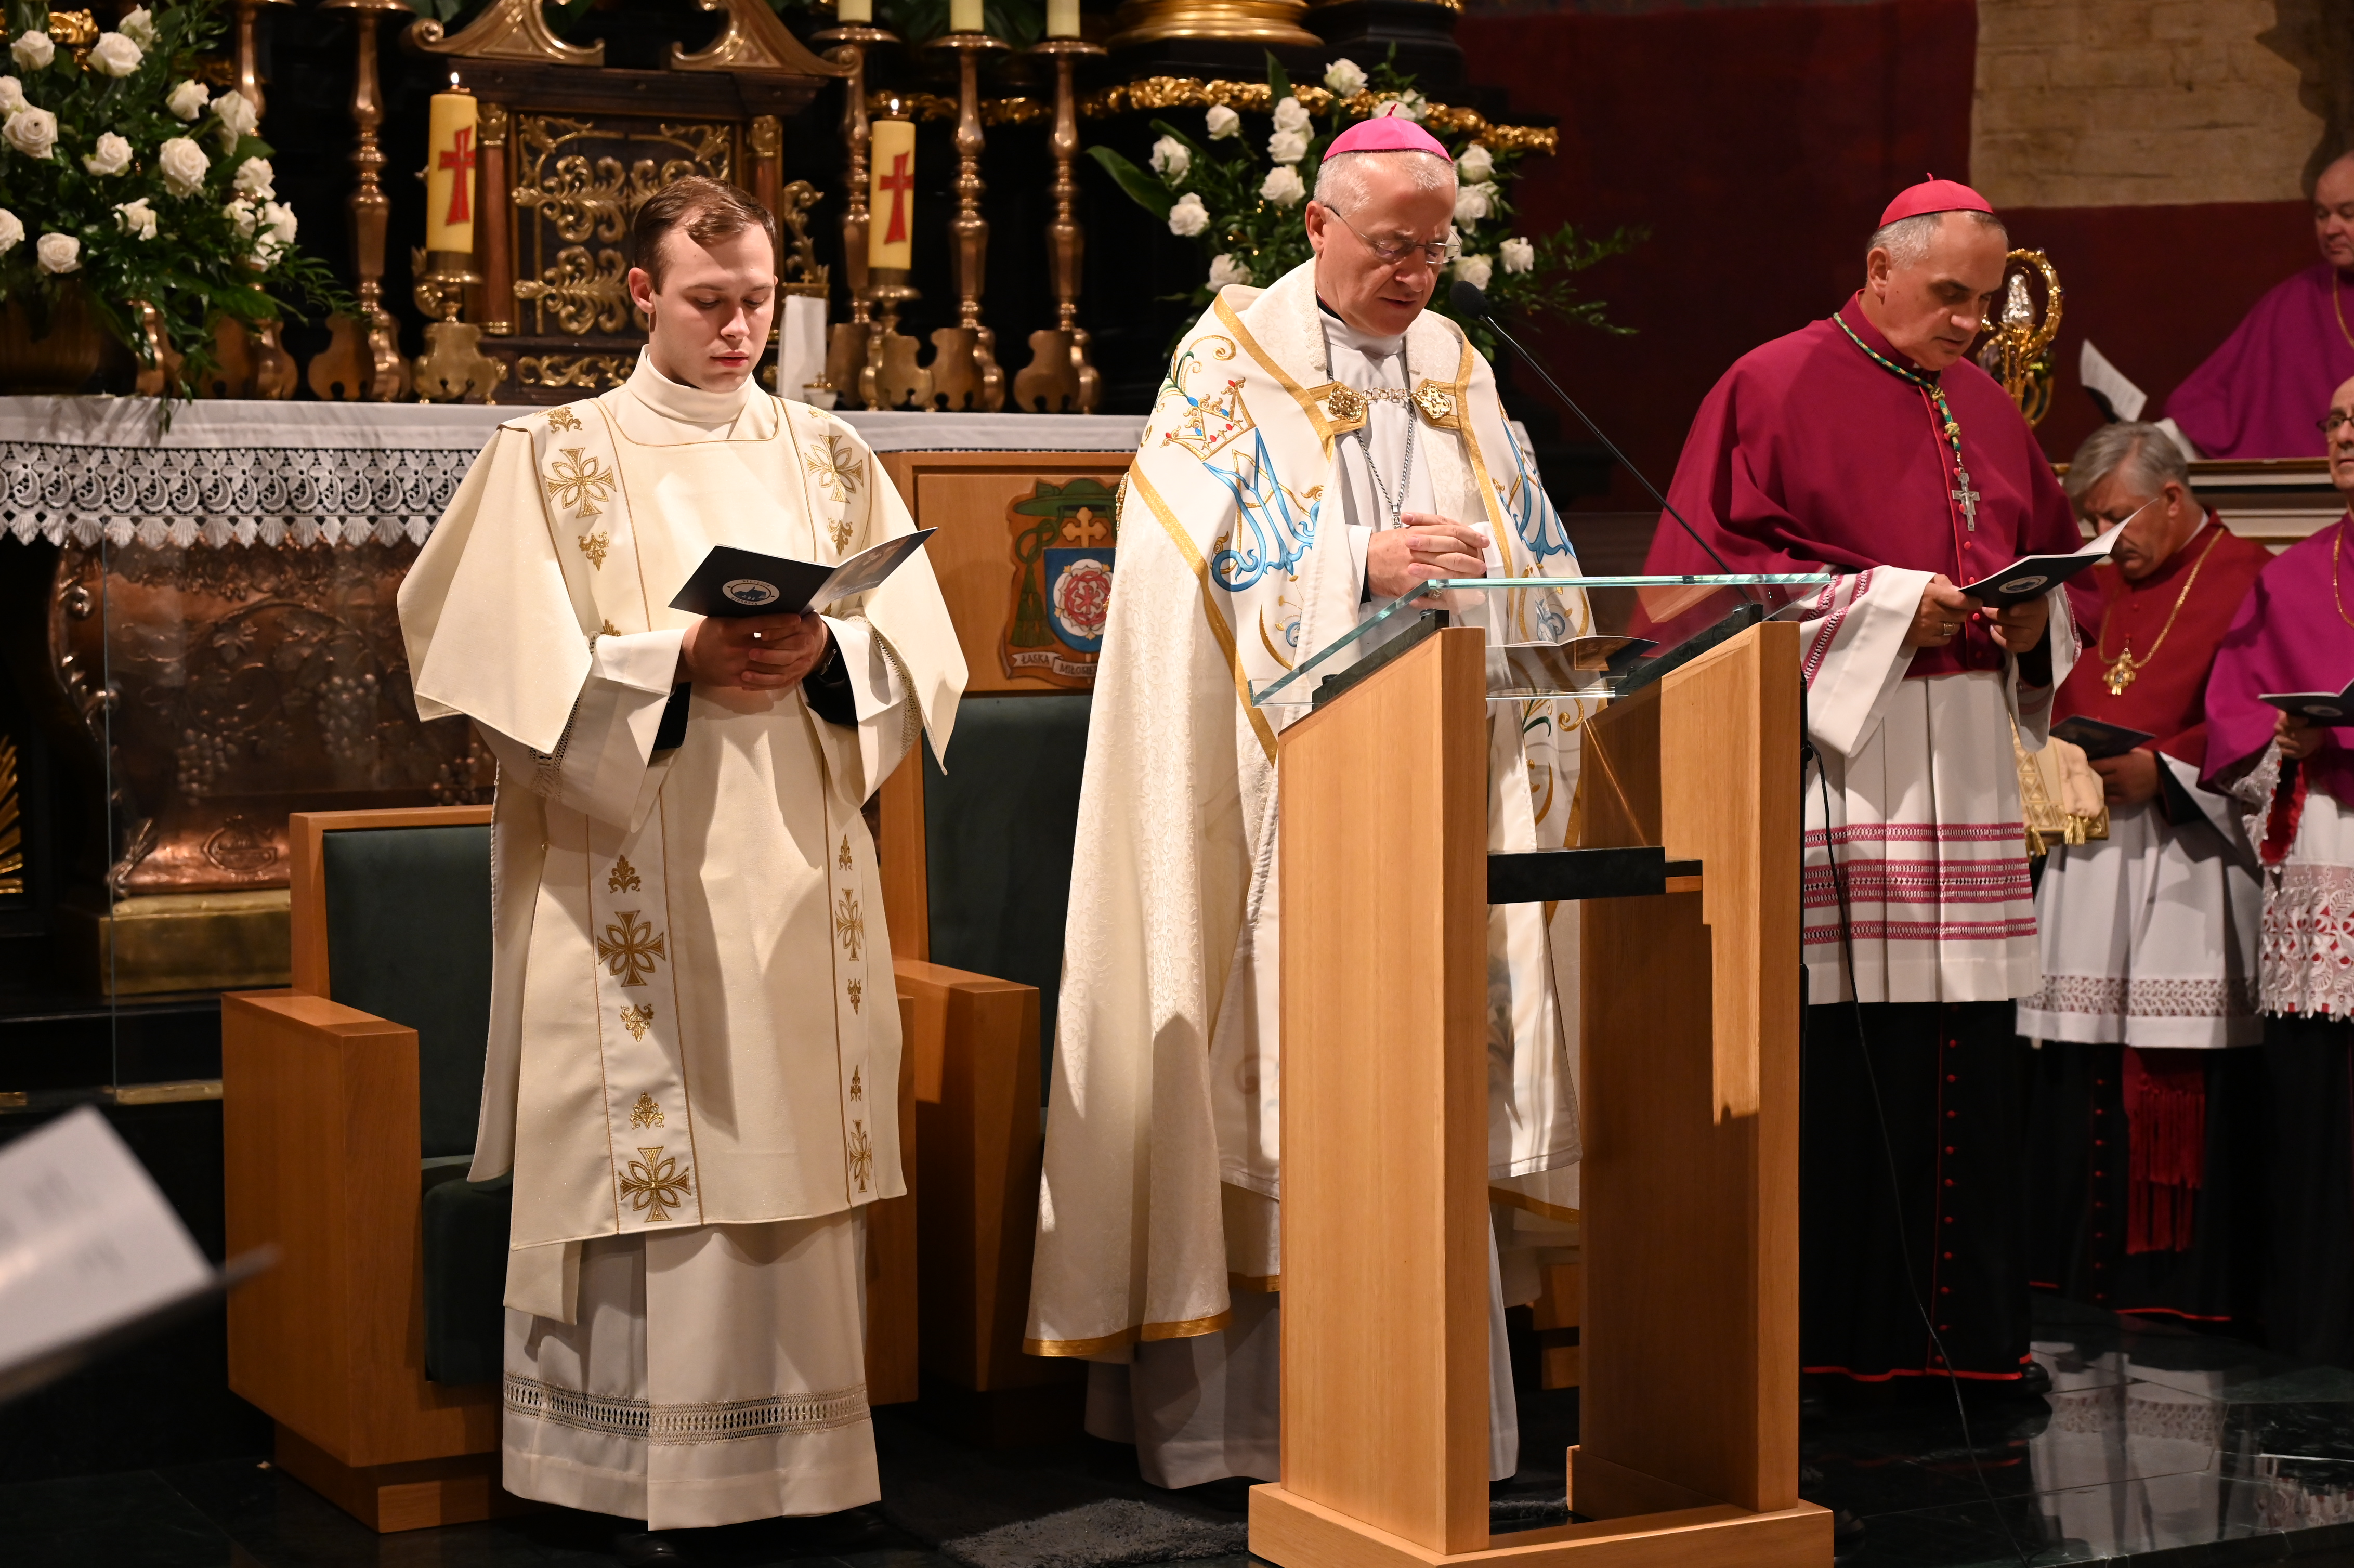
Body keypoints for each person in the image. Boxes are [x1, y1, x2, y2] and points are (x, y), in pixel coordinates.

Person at [397, 177, 965, 1557]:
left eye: (758, 301)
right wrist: (676, 662)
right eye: (709, 301)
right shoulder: (551, 456)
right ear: (642, 294)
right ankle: (631, 1478)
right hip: (629, 871)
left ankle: (807, 1473)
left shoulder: (831, 456)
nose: (738, 328)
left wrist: (830, 654)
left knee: (791, 1139)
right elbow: (483, 663)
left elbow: (921, 656)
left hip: (798, 872)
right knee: (657, 1155)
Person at [1024, 112, 1585, 1488]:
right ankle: (1252, 1431)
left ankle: (1422, 1411)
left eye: (1435, 248)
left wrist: (1504, 575)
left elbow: (1545, 553)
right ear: (1319, 225)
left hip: (1438, 786)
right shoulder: (1229, 359)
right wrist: (1355, 565)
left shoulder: (1457, 366)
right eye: (1391, 245)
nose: (1416, 274)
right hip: (1283, 800)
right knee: (1280, 1081)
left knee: (1426, 1088)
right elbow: (1170, 573)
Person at [1642, 177, 2081, 1388]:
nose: (1969, 324)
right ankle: (1840, 1352)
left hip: (1968, 759)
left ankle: (1968, 1340)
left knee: (1967, 1047)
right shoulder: (1770, 384)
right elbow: (1694, 584)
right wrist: (1887, 604)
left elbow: (2049, 562)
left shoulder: (1984, 403)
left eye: (1983, 302)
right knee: (1855, 1056)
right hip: (1843, 757)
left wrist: (2028, 618)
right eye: (1948, 296)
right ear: (1877, 270)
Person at [2017, 423, 2271, 1326]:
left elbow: (2255, 721)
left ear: (2171, 496)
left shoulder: (2249, 576)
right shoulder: (2098, 583)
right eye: (2089, 520)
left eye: (2116, 517)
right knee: (2075, 1063)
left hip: (2186, 859)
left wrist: (2161, 771)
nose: (2103, 540)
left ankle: (2177, 1290)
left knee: (2172, 1064)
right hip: (2089, 855)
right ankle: (2076, 1280)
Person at [2204, 374, 2354, 1364]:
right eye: (2334, 420)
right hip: (2325, 848)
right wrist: (2284, 741)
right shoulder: (2291, 577)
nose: (2342, 434)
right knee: (2315, 1104)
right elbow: (2231, 719)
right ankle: (2317, 1320)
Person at [2164, 152, 2354, 459]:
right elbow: (2213, 401)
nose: (2330, 230)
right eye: (2321, 215)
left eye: (2348, 214)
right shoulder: (2293, 300)